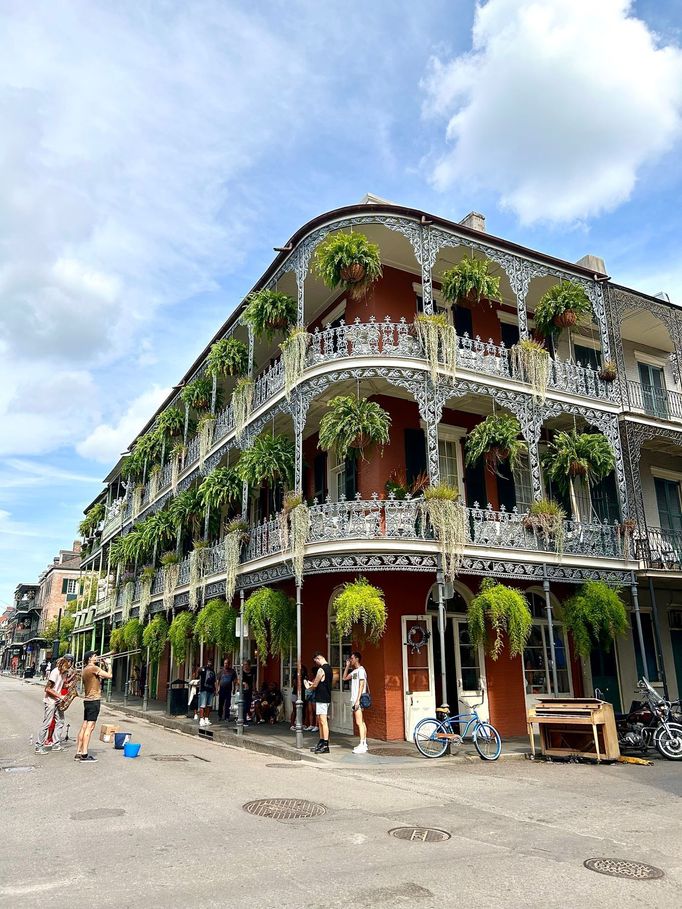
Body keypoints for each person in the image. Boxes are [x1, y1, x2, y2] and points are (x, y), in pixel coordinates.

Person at [75, 651, 112, 763]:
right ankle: (85, 754)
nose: (97, 657)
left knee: (84, 725)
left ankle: (79, 752)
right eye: (95, 656)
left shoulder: (85, 669)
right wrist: (109, 664)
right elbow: (109, 676)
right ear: (90, 658)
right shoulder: (93, 668)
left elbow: (100, 677)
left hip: (87, 700)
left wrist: (103, 664)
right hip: (94, 700)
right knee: (90, 727)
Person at [34, 654, 74, 754]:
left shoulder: (64, 672)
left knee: (60, 722)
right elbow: (47, 688)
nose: (71, 665)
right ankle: (38, 746)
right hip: (51, 701)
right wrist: (60, 696)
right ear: (68, 662)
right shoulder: (55, 672)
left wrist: (69, 685)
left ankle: (56, 744)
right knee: (47, 723)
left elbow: (61, 684)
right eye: (71, 663)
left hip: (57, 701)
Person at [305, 652, 332, 754]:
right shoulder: (329, 668)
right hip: (325, 696)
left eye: (315, 661)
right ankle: (321, 742)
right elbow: (322, 683)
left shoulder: (321, 669)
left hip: (322, 698)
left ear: (318, 659)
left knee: (323, 721)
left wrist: (308, 686)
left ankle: (325, 745)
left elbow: (315, 684)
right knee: (320, 721)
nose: (316, 663)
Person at [343, 651, 369, 754]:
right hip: (355, 699)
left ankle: (362, 744)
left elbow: (361, 685)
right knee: (361, 721)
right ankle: (364, 743)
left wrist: (357, 700)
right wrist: (347, 666)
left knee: (359, 722)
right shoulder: (355, 671)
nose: (351, 660)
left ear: (357, 659)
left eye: (352, 658)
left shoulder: (361, 671)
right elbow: (344, 678)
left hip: (358, 699)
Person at [198, 660, 217, 727]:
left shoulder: (213, 671)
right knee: (203, 705)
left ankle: (206, 718)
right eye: (209, 662)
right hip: (204, 689)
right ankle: (201, 719)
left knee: (209, 705)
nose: (210, 664)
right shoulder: (204, 669)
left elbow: (214, 681)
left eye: (211, 663)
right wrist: (200, 669)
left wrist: (215, 689)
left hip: (211, 690)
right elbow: (199, 671)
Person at [240, 659, 254, 725]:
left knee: (248, 705)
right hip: (243, 691)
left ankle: (247, 717)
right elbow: (238, 680)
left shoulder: (251, 672)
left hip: (250, 690)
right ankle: (243, 720)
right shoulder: (242, 672)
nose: (245, 666)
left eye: (246, 664)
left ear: (249, 665)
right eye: (244, 664)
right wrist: (244, 683)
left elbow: (253, 681)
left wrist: (254, 689)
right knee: (244, 705)